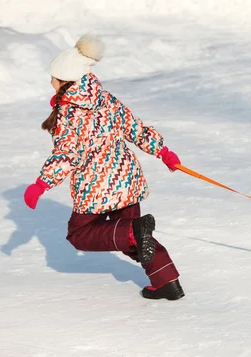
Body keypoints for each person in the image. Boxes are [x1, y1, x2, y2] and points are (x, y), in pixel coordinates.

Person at [24, 34, 184, 300]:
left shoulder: (69, 113)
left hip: (96, 185)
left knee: (81, 234)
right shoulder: (104, 97)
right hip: (126, 179)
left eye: (53, 77)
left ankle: (136, 235)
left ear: (66, 80)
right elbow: (135, 127)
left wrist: (41, 184)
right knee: (134, 235)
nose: (50, 81)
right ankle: (167, 280)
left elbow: (66, 155)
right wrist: (162, 151)